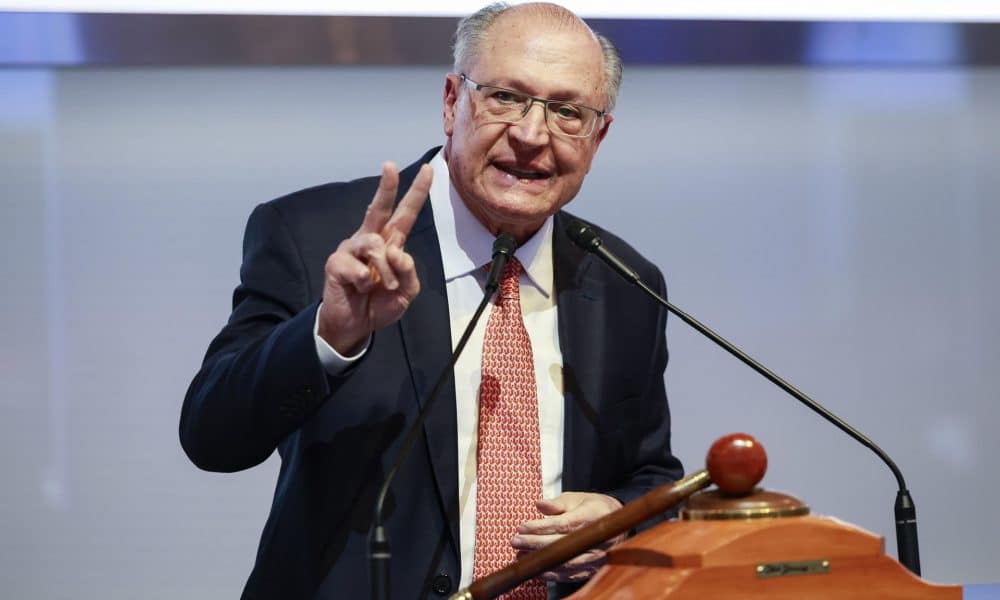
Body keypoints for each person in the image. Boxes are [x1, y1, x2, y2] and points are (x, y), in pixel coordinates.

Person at [180, 2, 683, 598]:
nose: (530, 135)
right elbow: (212, 438)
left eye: (567, 111)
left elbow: (652, 479)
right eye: (505, 97)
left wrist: (617, 522)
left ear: (598, 137)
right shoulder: (312, 236)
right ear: (452, 102)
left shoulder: (624, 282)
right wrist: (329, 335)